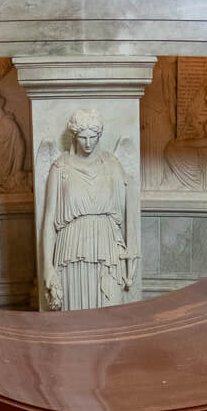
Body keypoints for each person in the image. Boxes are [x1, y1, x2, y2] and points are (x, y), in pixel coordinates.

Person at [40, 109, 136, 311]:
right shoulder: (60, 168)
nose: (88, 143)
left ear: (99, 136)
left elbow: (128, 213)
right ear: (74, 136)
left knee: (110, 313)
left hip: (107, 248)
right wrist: (47, 266)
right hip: (71, 251)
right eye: (82, 137)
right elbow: (48, 221)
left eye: (93, 137)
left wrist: (132, 249)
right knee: (75, 315)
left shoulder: (112, 165)